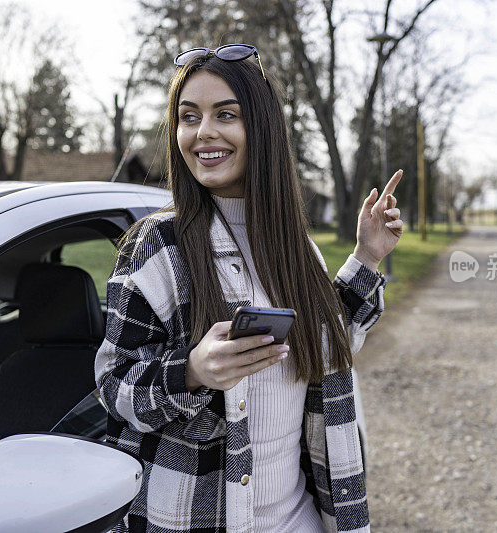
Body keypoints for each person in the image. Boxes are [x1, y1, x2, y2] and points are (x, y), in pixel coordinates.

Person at [95, 43, 403, 533]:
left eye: (226, 114)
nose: (204, 133)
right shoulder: (157, 246)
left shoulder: (295, 247)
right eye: (189, 116)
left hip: (301, 518)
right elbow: (114, 386)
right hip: (196, 519)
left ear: (259, 127)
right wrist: (192, 371)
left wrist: (367, 256)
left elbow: (327, 345)